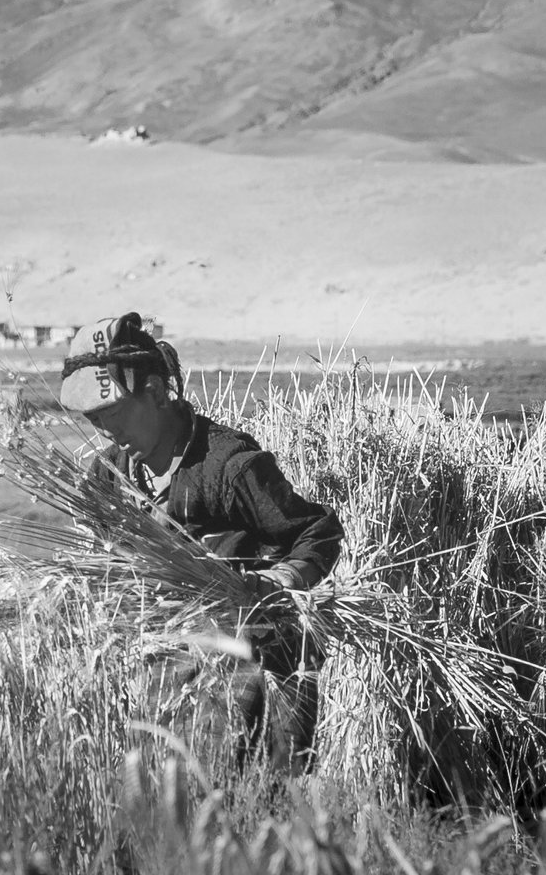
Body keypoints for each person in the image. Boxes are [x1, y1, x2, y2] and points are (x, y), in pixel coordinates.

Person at [59, 312, 344, 770]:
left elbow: (318, 532)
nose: (106, 432)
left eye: (113, 414)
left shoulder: (229, 467)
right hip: (167, 675)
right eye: (94, 420)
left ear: (153, 392)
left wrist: (273, 582)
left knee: (252, 817)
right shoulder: (107, 477)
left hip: (257, 673)